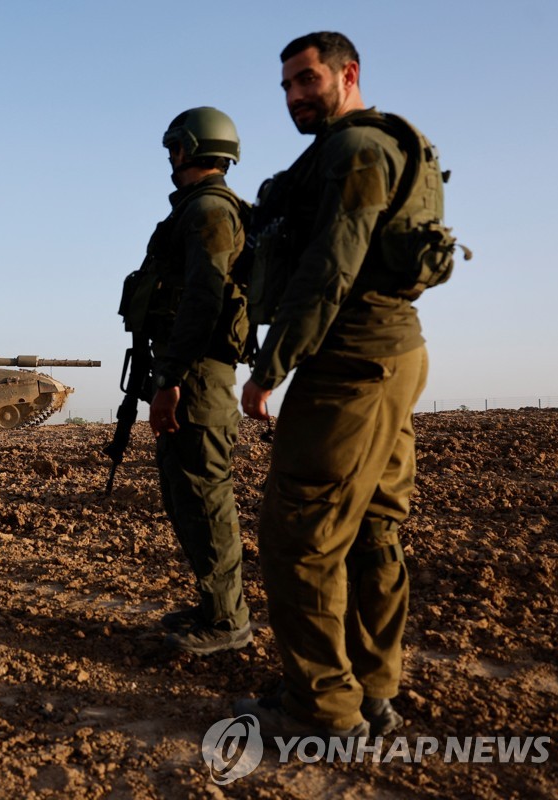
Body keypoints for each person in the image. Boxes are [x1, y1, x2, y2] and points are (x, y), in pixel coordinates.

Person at [236, 31, 432, 740]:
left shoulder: (354, 151)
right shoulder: (383, 146)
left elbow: (332, 265)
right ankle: (371, 688)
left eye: (307, 79)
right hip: (390, 351)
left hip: (348, 359)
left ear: (347, 74)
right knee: (374, 528)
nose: (294, 95)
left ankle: (321, 708)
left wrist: (270, 367)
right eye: (286, 85)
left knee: (301, 535)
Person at [140, 108, 253, 655]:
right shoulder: (196, 210)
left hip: (198, 375)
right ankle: (215, 606)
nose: (169, 157)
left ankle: (228, 621)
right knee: (185, 494)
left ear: (191, 147)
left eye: (174, 148)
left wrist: (171, 378)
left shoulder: (208, 210)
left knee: (205, 497)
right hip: (189, 369)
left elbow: (204, 301)